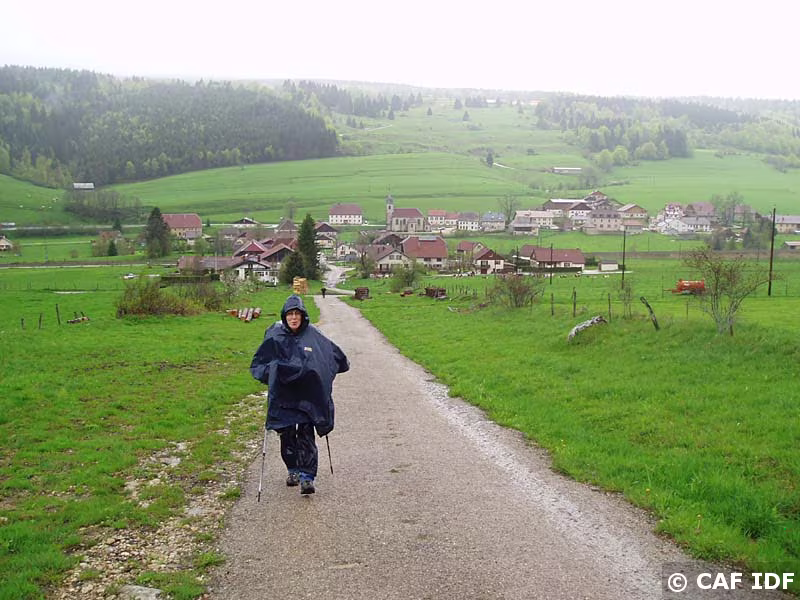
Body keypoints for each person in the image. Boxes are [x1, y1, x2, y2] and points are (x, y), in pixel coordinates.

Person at [250, 294, 349, 495]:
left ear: (303, 316)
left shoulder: (313, 335)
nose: (294, 318)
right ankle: (293, 470)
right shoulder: (275, 335)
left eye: (297, 314)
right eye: (290, 314)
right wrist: (273, 371)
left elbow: (333, 357)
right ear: (284, 316)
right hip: (284, 397)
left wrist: (324, 374)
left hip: (307, 397)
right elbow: (259, 365)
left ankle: (307, 477)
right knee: (287, 435)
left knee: (305, 434)